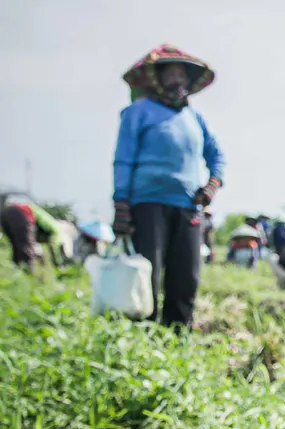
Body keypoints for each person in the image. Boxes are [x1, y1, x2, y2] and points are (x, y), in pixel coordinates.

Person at [112, 44, 225, 328]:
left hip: (188, 206)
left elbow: (216, 155)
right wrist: (121, 203)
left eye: (182, 75)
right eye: (171, 74)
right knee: (146, 273)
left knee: (186, 276)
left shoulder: (194, 118)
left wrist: (212, 183)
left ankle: (177, 336)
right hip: (147, 203)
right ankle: (142, 334)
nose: (177, 80)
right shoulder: (138, 112)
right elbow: (123, 159)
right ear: (157, 79)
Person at [0, 194, 69, 269]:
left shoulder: (46, 228)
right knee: (26, 252)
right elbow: (54, 246)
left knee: (18, 249)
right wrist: (58, 264)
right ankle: (28, 274)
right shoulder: (57, 232)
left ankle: (18, 271)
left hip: (7, 213)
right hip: (21, 214)